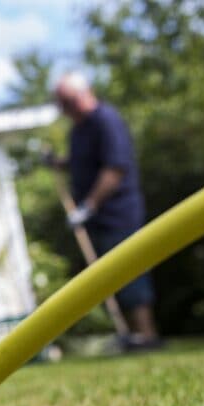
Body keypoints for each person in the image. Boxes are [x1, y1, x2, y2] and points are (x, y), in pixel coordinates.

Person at [51, 71, 161, 349]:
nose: (64, 111)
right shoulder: (79, 130)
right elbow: (79, 162)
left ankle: (147, 335)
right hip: (97, 220)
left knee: (130, 272)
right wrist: (58, 163)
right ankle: (131, 334)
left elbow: (115, 168)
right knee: (112, 279)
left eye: (66, 103)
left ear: (82, 95)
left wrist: (89, 206)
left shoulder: (105, 121)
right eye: (61, 105)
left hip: (118, 214)